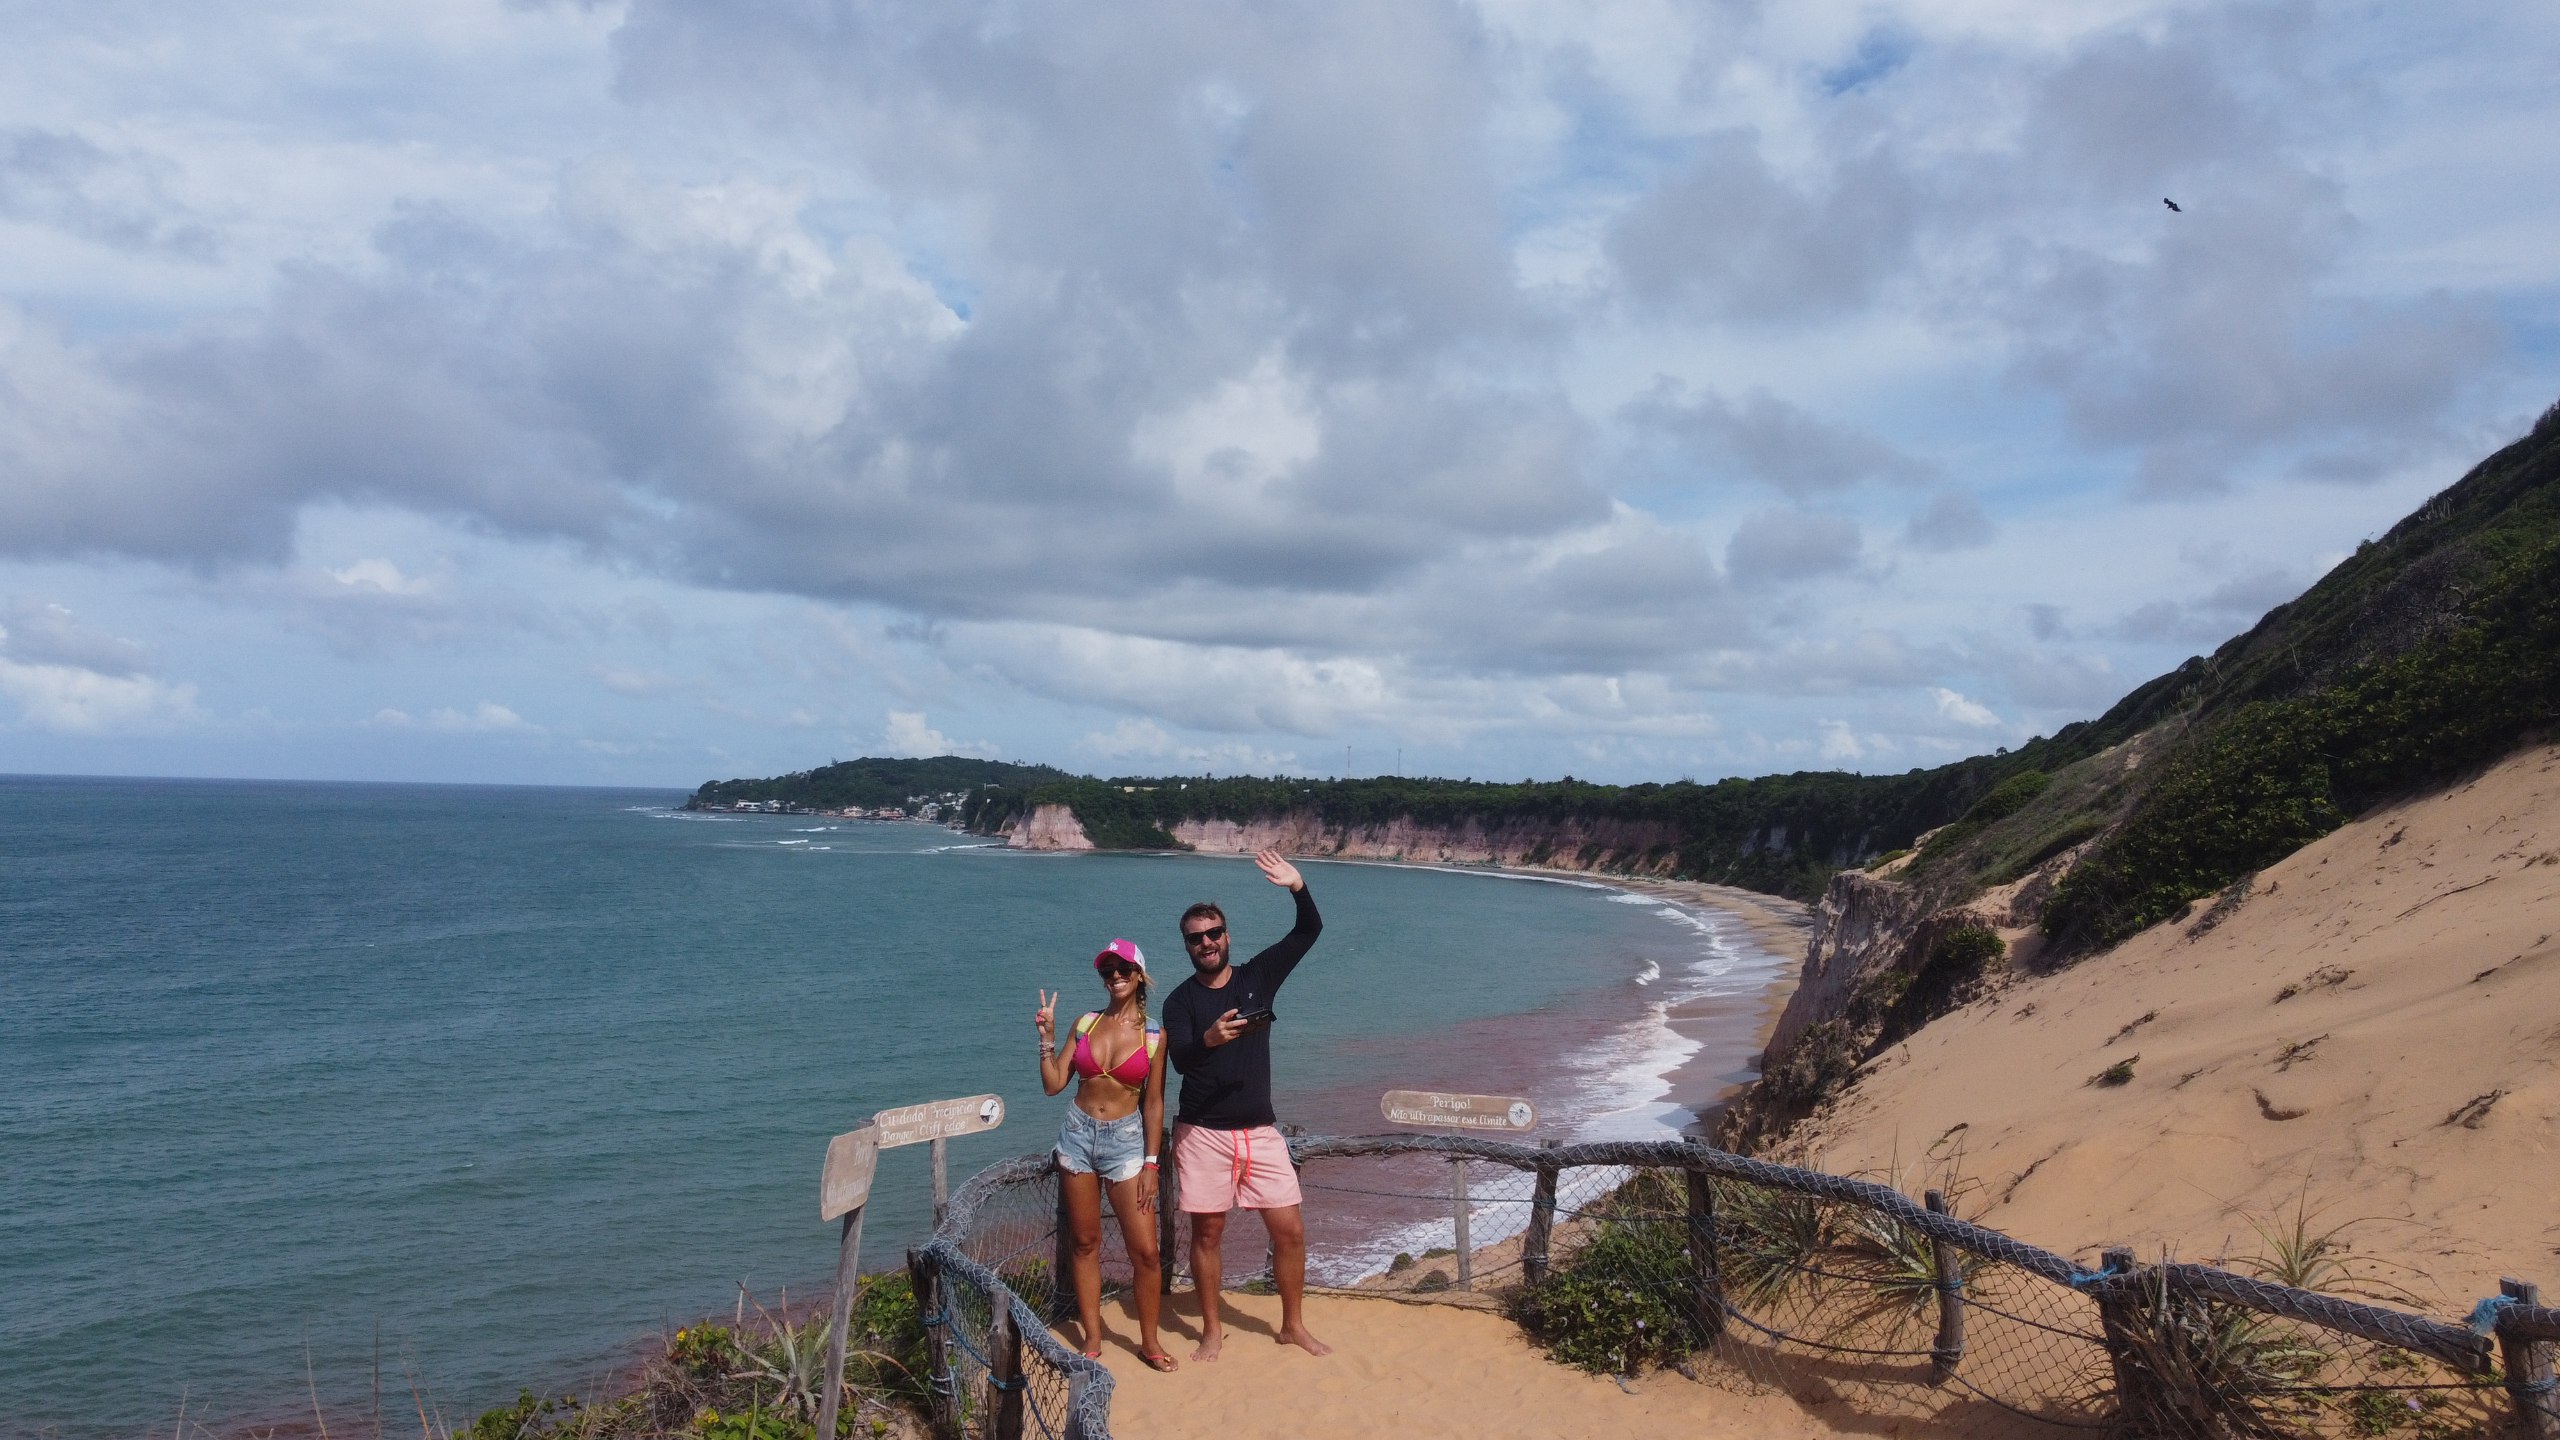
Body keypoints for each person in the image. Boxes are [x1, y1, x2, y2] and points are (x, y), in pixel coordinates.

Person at [1161, 848, 1330, 1360]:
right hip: (1203, 1131)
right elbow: (1181, 1062)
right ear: (1187, 945)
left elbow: (1308, 932)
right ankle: (1212, 1329)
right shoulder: (1179, 1001)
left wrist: (1297, 886)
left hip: (1260, 1130)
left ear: (1227, 936)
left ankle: (1292, 1325)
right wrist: (1209, 1038)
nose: (1207, 942)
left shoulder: (1258, 977)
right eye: (1197, 938)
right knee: (1207, 1234)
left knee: (1290, 1230)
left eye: (1214, 933)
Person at [1035, 937, 1177, 1371]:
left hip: (1127, 1145)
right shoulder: (1085, 1024)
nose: (1114, 976)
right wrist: (1046, 1039)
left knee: (1147, 1253)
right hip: (1078, 1136)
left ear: (1139, 976)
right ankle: (1093, 1339)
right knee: (1084, 1243)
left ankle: (1149, 1342)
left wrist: (1152, 1163)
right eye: (1106, 971)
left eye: (1122, 970)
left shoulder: (1154, 1035)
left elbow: (1154, 1103)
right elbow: (1053, 1084)